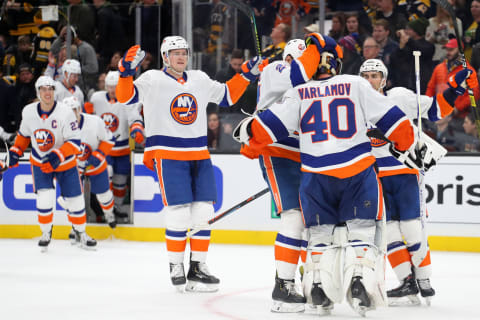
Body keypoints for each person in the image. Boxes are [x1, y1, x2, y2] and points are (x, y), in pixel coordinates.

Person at [235, 34, 416, 316]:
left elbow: (268, 127)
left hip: (315, 175)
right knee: (363, 232)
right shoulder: (356, 84)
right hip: (356, 171)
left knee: (319, 235)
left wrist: (250, 140)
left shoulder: (300, 92)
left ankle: (317, 285)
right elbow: (393, 120)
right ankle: (361, 281)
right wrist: (405, 143)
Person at [115, 36, 262, 292]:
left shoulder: (199, 79)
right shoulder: (152, 79)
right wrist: (125, 73)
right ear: (165, 57)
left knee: (203, 213)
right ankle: (175, 264)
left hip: (199, 152)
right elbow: (125, 98)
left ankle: (198, 267)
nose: (181, 57)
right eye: (175, 53)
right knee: (179, 212)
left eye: (184, 52)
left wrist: (246, 75)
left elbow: (227, 96)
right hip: (168, 152)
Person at [359, 58, 475, 306]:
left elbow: (436, 111)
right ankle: (405, 281)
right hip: (375, 176)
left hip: (404, 173)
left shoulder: (399, 96)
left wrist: (455, 87)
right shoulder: (354, 104)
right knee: (388, 232)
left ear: (384, 79)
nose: (369, 81)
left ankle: (423, 279)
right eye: (365, 76)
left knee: (412, 229)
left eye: (374, 76)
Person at [239, 37, 324, 313]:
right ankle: (283, 285)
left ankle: (310, 278)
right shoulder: (276, 70)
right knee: (293, 218)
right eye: (298, 61)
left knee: (311, 222)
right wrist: (316, 49)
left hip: (306, 157)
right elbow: (296, 77)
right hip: (277, 150)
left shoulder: (311, 83)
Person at [7, 76, 96, 251]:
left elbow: (75, 141)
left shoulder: (65, 112)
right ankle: (46, 232)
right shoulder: (28, 112)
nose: (47, 93)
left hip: (65, 164)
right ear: (37, 92)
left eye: (50, 89)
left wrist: (58, 155)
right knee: (45, 200)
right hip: (40, 163)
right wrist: (16, 151)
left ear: (54, 91)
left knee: (76, 202)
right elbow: (24, 136)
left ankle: (81, 233)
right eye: (43, 89)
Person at [88, 70, 145, 218]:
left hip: (123, 148)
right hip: (104, 148)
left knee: (120, 183)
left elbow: (135, 117)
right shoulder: (96, 98)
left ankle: (116, 208)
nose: (112, 90)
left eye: (115, 86)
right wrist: (86, 112)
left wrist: (137, 128)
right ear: (105, 86)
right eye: (109, 86)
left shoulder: (129, 100)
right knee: (106, 175)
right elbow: (86, 121)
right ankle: (104, 208)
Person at [63, 96, 116, 229]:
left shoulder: (95, 122)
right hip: (74, 168)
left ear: (80, 109)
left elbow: (109, 139)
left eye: (74, 110)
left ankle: (109, 213)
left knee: (103, 195)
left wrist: (98, 155)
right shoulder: (59, 126)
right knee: (73, 198)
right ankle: (75, 225)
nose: (72, 115)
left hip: (96, 165)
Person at [426, 38, 480, 116]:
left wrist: (458, 108)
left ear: (460, 50)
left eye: (451, 50)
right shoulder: (439, 67)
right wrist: (428, 104)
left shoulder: (468, 71)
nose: (448, 53)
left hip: (458, 116)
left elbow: (474, 94)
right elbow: (431, 88)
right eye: (447, 50)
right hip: (438, 112)